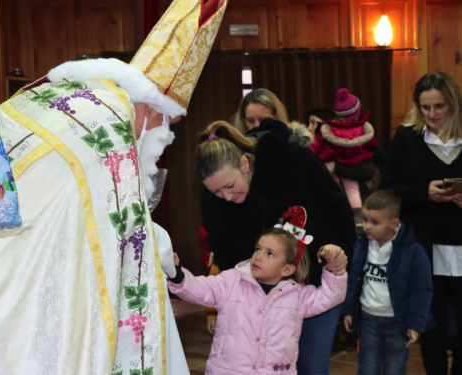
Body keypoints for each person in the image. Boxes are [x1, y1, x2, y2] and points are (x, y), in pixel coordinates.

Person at [0, 0, 228, 374]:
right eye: (168, 122)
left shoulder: (66, 96)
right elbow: (118, 225)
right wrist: (159, 245)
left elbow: (95, 216)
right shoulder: (109, 121)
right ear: (150, 106)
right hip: (7, 275)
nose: (165, 137)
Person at [195, 118, 356, 374]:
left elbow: (338, 213)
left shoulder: (293, 162)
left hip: (310, 287)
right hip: (255, 301)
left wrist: (334, 249)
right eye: (216, 192)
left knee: (311, 366)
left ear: (245, 163)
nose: (226, 197)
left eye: (229, 186)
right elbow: (224, 252)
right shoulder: (213, 198)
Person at [169, 220, 348, 375]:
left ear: (287, 269)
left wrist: (334, 268)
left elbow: (331, 296)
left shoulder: (298, 296)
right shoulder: (232, 281)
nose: (258, 256)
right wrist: (177, 274)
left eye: (269, 254)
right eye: (258, 249)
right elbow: (201, 289)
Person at [380, 71, 462, 375]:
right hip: (426, 248)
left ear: (453, 104)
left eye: (439, 106)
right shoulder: (407, 137)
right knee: (431, 323)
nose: (432, 114)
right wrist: (423, 192)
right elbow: (389, 190)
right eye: (425, 107)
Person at [342, 190, 433, 375]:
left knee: (395, 369)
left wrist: (415, 325)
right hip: (367, 319)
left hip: (397, 323)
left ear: (394, 224)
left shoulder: (412, 250)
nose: (367, 226)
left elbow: (422, 290)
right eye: (365, 219)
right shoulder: (362, 244)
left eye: (375, 222)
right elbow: (352, 280)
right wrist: (348, 310)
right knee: (367, 368)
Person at [309, 88, 377, 210]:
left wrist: (335, 166)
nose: (310, 128)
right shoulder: (361, 134)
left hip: (352, 206)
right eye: (308, 123)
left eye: (314, 123)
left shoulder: (327, 135)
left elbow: (369, 171)